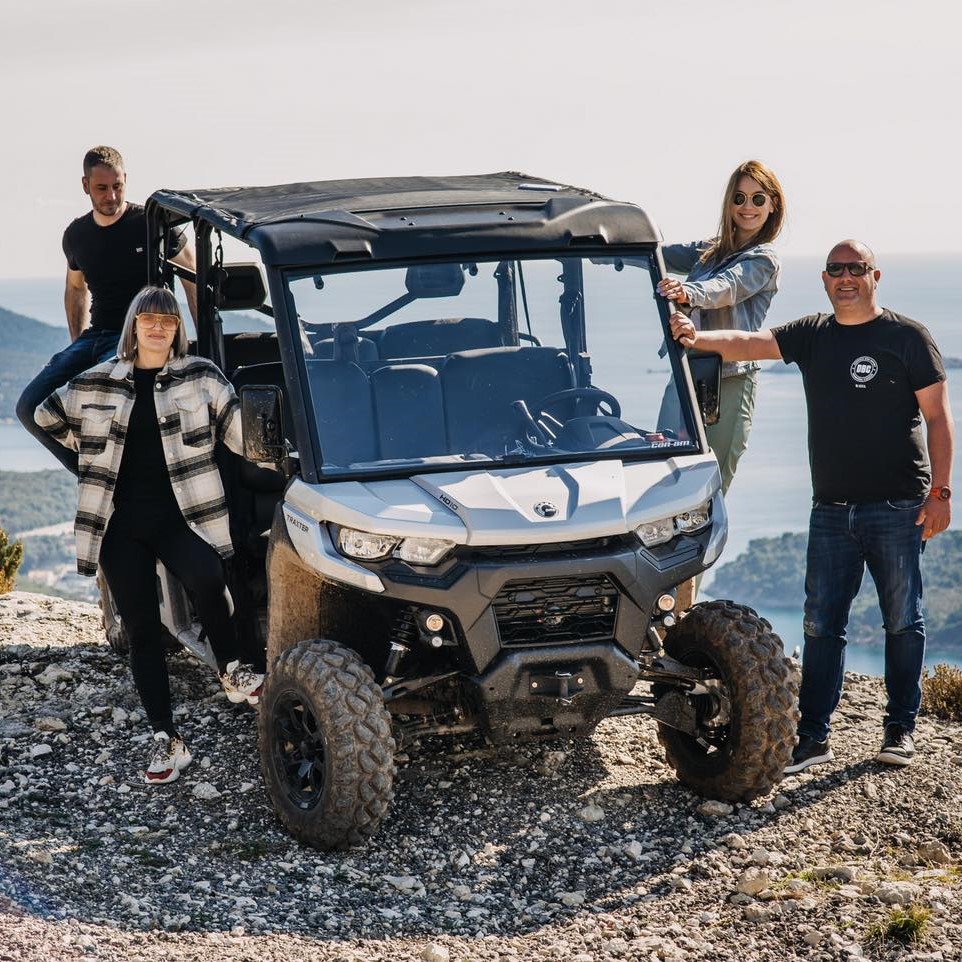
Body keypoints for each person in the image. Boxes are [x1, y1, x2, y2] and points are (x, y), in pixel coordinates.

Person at [670, 240, 954, 772]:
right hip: (831, 509)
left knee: (902, 620)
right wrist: (696, 336)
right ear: (824, 280)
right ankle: (813, 737)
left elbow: (938, 417)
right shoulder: (814, 335)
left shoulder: (908, 338)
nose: (845, 277)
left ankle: (900, 731)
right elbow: (749, 343)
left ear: (875, 275)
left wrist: (941, 493)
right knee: (821, 624)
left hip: (897, 504)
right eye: (835, 270)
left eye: (856, 268)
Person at [35, 286, 263, 785]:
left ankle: (231, 670)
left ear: (178, 329)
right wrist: (90, 457)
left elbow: (242, 434)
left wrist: (281, 441)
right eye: (148, 319)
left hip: (183, 515)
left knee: (208, 579)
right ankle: (166, 738)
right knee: (140, 631)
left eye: (167, 320)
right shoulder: (98, 381)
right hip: (118, 523)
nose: (158, 327)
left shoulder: (201, 377)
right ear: (133, 326)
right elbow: (45, 414)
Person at [17, 145, 198, 475]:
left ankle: (116, 481)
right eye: (102, 188)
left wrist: (200, 342)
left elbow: (194, 278)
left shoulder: (151, 223)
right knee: (29, 408)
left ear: (125, 180)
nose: (112, 196)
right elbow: (75, 288)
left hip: (136, 340)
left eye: (118, 186)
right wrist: (76, 343)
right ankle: (92, 475)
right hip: (95, 337)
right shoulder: (76, 235)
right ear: (85, 185)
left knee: (101, 401)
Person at [657, 160, 785, 494]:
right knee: (663, 476)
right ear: (729, 202)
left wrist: (688, 292)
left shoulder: (763, 260)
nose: (747, 207)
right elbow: (654, 253)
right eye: (739, 198)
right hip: (686, 373)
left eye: (758, 199)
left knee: (711, 488)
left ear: (773, 205)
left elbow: (727, 288)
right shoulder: (709, 251)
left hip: (729, 382)